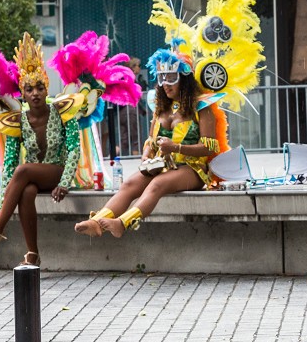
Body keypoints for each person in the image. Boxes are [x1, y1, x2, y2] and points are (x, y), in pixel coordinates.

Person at [74, 50, 216, 237]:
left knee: (156, 185)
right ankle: (96, 222)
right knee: (129, 184)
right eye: (161, 77)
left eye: (171, 77)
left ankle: (122, 223)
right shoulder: (161, 108)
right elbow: (150, 140)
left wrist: (176, 147)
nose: (165, 84)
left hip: (192, 169)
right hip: (161, 166)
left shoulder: (202, 107)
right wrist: (146, 156)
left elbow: (209, 147)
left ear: (184, 79)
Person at [0, 35, 80, 265]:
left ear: (46, 87)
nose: (35, 93)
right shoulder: (18, 120)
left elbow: (73, 150)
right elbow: (9, 164)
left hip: (58, 173)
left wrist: (65, 182)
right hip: (30, 176)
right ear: (23, 92)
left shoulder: (63, 112)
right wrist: (2, 202)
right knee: (27, 191)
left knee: (23, 171)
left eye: (40, 87)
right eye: (29, 89)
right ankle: (33, 254)